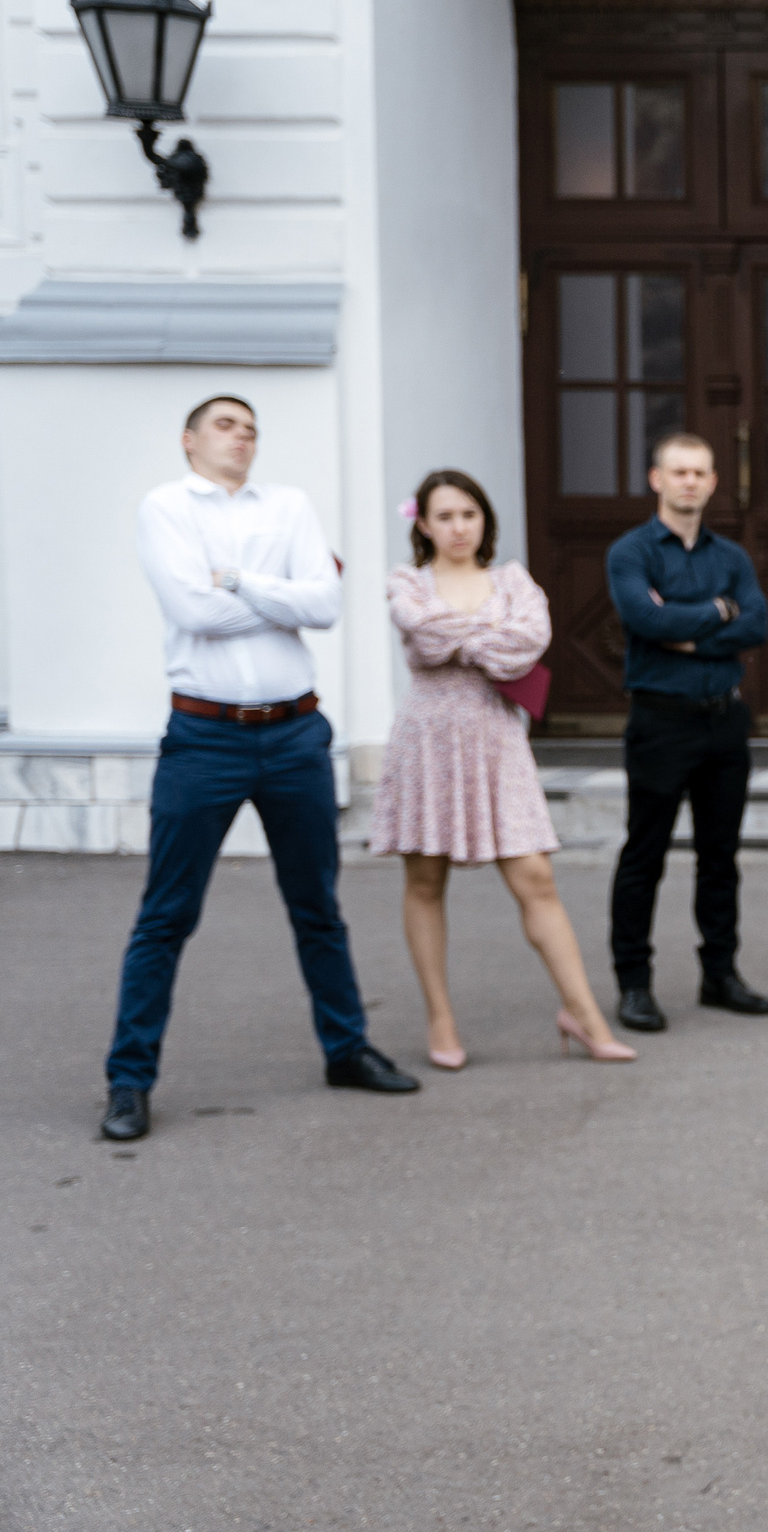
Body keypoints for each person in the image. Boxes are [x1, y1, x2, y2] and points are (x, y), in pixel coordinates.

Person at [101, 395, 419, 1143]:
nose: (241, 437)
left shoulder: (289, 505)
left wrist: (238, 582)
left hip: (295, 735)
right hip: (204, 738)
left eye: (250, 429)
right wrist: (283, 598)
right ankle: (129, 1079)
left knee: (317, 906)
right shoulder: (166, 507)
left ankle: (346, 1049)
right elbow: (194, 613)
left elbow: (328, 605)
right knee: (167, 914)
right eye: (225, 425)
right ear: (189, 439)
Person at [370, 470, 634, 1068]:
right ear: (423, 524)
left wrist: (462, 638)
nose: (458, 527)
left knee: (536, 877)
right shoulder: (407, 582)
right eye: (445, 516)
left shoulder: (512, 579)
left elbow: (528, 642)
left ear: (484, 519)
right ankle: (440, 1020)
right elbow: (423, 634)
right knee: (425, 880)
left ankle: (584, 1016)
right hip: (428, 741)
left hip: (497, 739)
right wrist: (489, 632)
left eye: (469, 514)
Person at [604, 432, 768, 1032]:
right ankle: (634, 984)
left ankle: (720, 975)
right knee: (644, 855)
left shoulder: (731, 558)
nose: (690, 482)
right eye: (678, 472)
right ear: (657, 479)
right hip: (661, 722)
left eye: (700, 472)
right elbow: (644, 619)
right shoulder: (630, 552)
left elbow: (757, 624)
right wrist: (718, 612)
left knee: (720, 857)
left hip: (725, 721)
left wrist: (690, 633)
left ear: (713, 482)